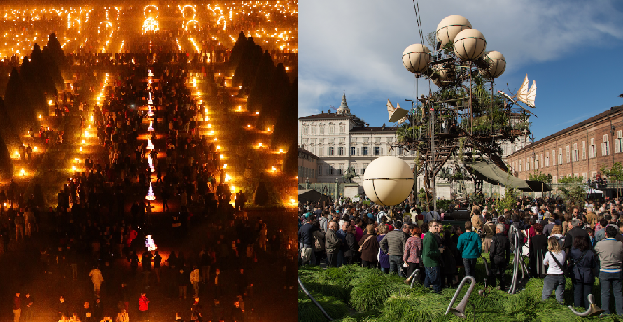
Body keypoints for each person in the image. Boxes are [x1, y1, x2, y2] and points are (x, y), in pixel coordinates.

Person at [594, 226, 623, 316]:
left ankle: (606, 312)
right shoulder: (620, 244)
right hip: (617, 270)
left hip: (605, 270)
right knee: (618, 293)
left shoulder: (600, 244)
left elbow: (595, 253)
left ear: (605, 233)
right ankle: (620, 312)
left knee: (605, 293)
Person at [569, 235, 596, 310]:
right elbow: (593, 265)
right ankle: (588, 309)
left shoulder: (573, 251)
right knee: (588, 294)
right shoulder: (590, 252)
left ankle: (578, 309)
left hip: (577, 273)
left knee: (577, 293)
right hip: (588, 273)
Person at [542, 237, 566, 304]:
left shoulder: (548, 253)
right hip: (561, 275)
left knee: (546, 294)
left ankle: (545, 307)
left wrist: (548, 263)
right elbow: (563, 262)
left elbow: (544, 262)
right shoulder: (563, 252)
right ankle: (561, 308)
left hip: (551, 275)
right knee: (560, 296)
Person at [489, 224, 511, 291]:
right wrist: (507, 261)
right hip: (502, 258)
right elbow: (508, 251)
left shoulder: (495, 238)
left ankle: (493, 287)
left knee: (493, 273)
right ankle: (502, 287)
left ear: (498, 229)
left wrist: (491, 257)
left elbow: (492, 249)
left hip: (495, 258)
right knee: (502, 273)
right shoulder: (506, 239)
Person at [422, 221, 442, 293]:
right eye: (434, 226)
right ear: (429, 227)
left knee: (428, 280)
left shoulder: (430, 235)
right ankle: (437, 295)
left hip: (429, 262)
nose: (437, 227)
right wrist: (439, 251)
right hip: (431, 263)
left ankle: (425, 293)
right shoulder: (429, 237)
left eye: (437, 226)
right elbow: (428, 252)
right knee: (436, 282)